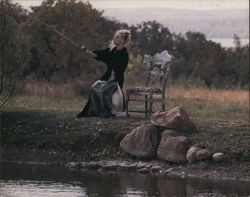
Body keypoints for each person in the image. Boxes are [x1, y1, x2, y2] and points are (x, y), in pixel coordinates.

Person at [77, 29, 131, 118]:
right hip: (107, 76)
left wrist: (112, 78)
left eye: (117, 37)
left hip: (116, 79)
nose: (115, 39)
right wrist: (91, 53)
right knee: (96, 88)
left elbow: (120, 68)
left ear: (122, 40)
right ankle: (93, 111)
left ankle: (107, 111)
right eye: (115, 37)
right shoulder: (111, 51)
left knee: (109, 94)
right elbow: (100, 54)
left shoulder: (124, 54)